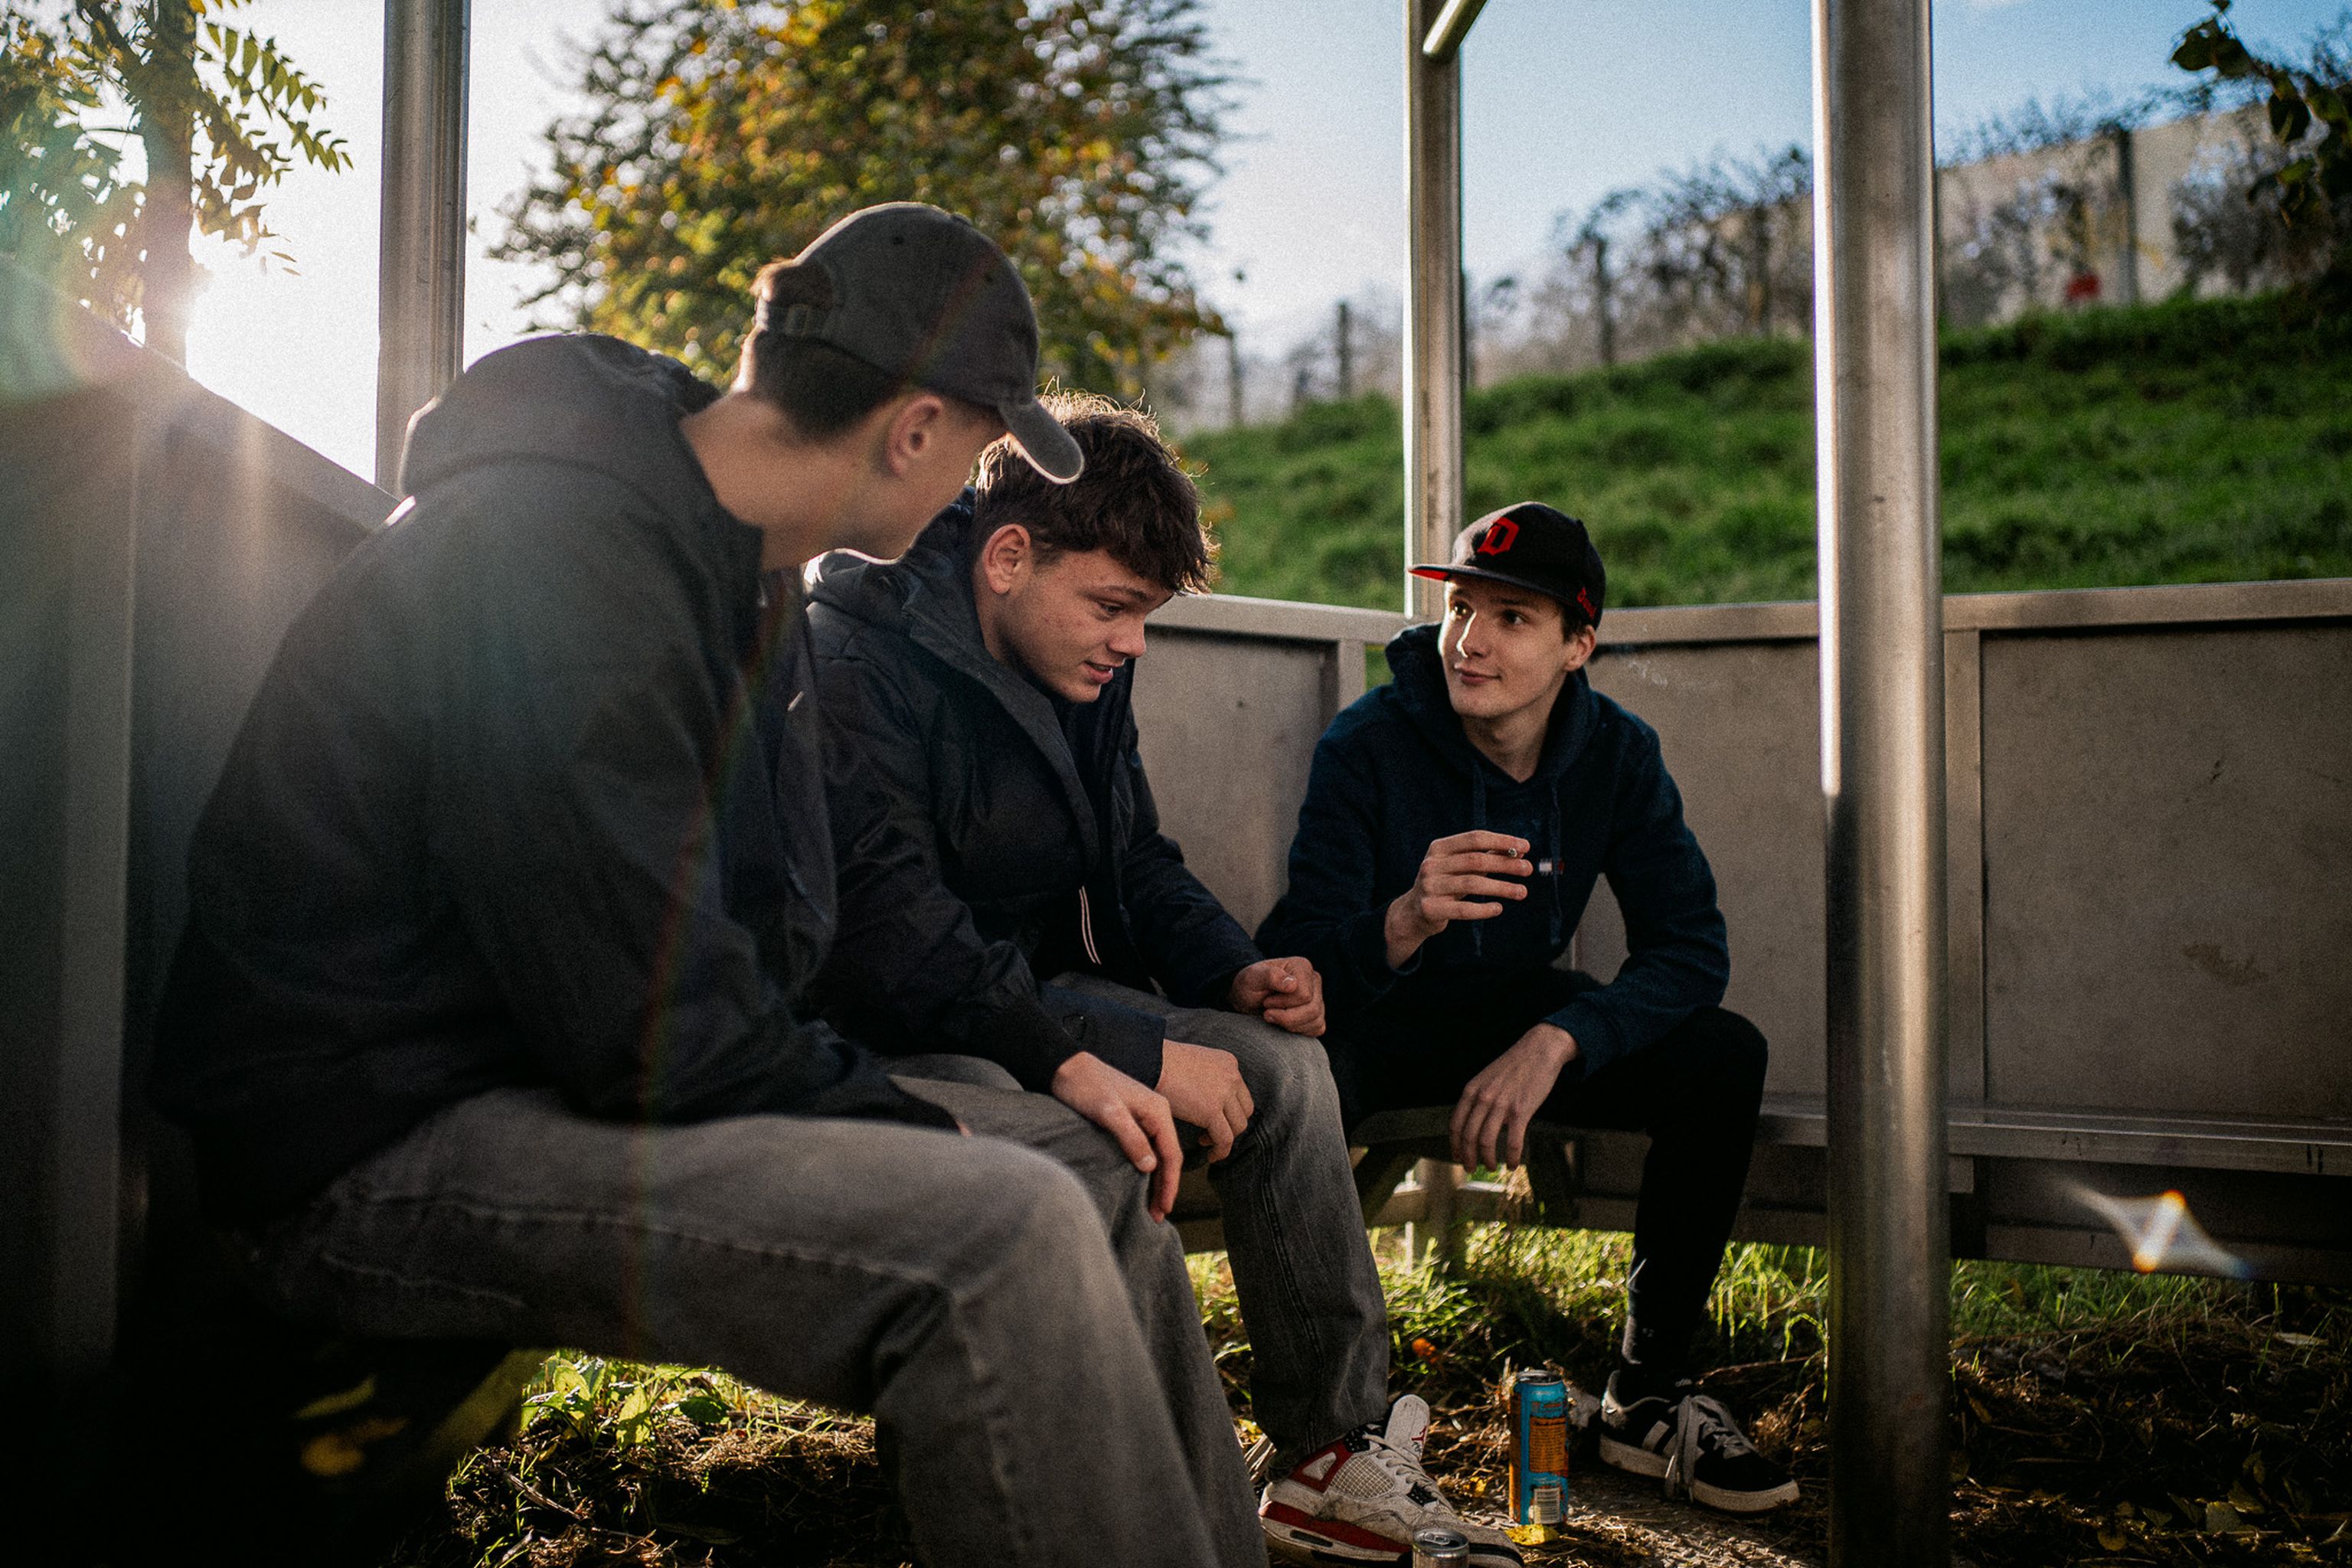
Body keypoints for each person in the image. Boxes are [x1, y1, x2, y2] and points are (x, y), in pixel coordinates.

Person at [150, 204, 1252, 1568]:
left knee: (1087, 1171)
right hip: (362, 1144)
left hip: (539, 1077)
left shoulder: (726, 560)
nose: (970, 495)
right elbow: (646, 1023)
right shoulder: (557, 554)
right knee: (1005, 1230)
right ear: (915, 429)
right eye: (979, 448)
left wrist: (953, 1093)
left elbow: (725, 960)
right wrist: (904, 1125)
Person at [806, 394, 1524, 1566]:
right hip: (889, 1029)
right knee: (1046, 1127)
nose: (1132, 642)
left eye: (1143, 614)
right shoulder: (853, 653)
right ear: (1006, 558)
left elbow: (1135, 857)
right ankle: (1074, 1499)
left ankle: (1330, 1455)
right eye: (1113, 607)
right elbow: (892, 938)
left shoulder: (1080, 661)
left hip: (1038, 997)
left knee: (1283, 1067)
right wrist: (1123, 1053)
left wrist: (1236, 972)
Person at [1257, 501, 1799, 1516]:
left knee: (1721, 1055)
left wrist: (1561, 1039)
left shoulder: (1617, 753)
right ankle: (1334, 1435)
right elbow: (1294, 959)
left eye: (1512, 618)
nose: (1471, 640)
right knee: (1299, 1079)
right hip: (1379, 1015)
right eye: (1462, 608)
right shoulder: (1369, 742)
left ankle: (1647, 1394)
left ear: (1577, 645)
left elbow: (1689, 948)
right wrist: (1406, 918)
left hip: (1517, 1016)